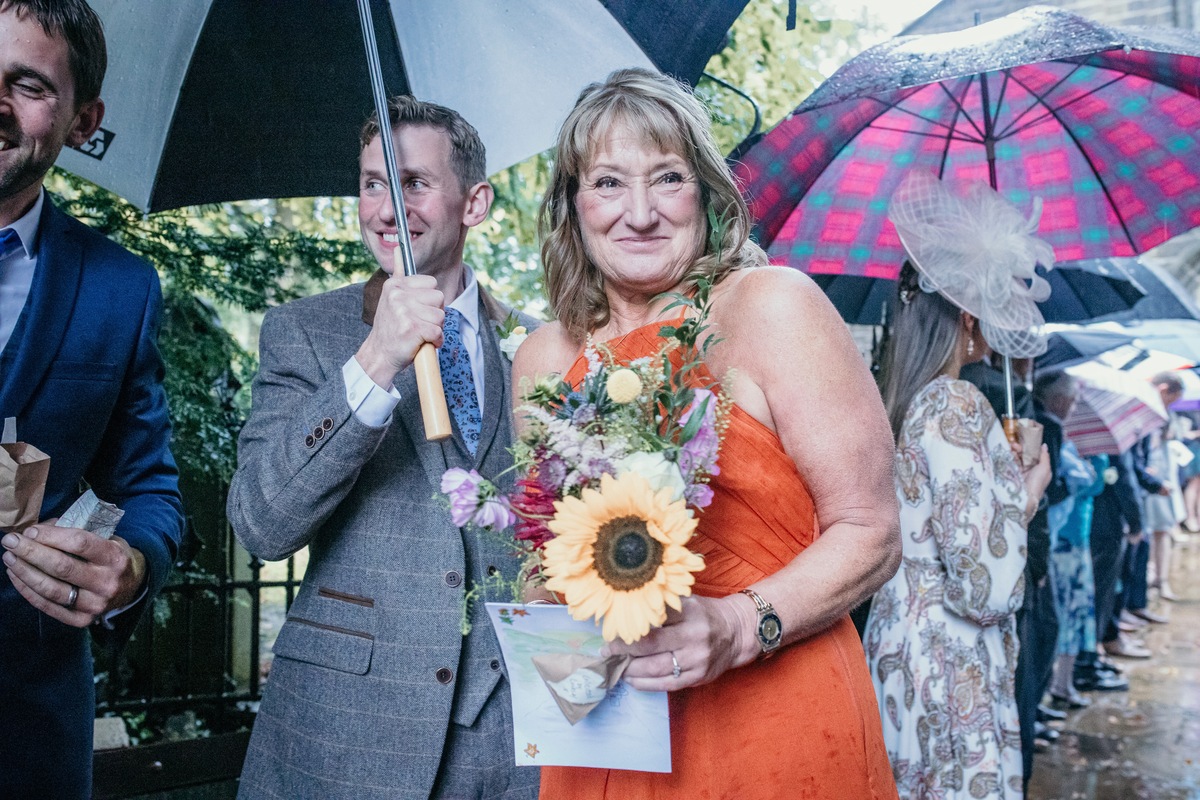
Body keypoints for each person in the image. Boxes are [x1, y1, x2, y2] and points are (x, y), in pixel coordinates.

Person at [515, 68, 901, 799]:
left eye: (666, 178)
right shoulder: (543, 357)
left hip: (776, 718)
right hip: (609, 733)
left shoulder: (772, 307)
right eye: (606, 183)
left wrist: (736, 625)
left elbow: (871, 530)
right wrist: (552, 630)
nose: (639, 213)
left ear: (706, 194)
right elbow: (543, 555)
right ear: (571, 204)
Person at [227, 97, 538, 799]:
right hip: (345, 735)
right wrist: (374, 362)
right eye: (373, 183)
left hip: (506, 742)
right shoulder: (304, 334)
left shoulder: (540, 345)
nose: (387, 206)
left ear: (476, 201)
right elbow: (260, 523)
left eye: (414, 182)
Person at [0, 1, 185, 796]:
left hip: (28, 726)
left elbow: (148, 487)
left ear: (82, 120)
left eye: (29, 84)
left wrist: (133, 564)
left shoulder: (122, 289)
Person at [865, 173, 1052, 799]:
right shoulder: (955, 404)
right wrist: (1026, 494)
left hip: (901, 645)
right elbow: (983, 584)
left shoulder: (904, 401)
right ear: (970, 313)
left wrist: (1002, 467)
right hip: (951, 659)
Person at [1143, 372, 1185, 601]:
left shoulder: (1163, 413)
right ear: (1163, 389)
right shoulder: (1145, 408)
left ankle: (1160, 579)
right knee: (1148, 531)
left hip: (1162, 474)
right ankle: (1152, 577)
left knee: (1162, 529)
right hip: (1151, 475)